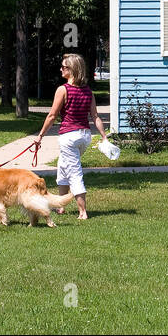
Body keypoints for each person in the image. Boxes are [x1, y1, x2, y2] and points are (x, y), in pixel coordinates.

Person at [35, 53, 107, 219]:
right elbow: (95, 116)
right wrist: (103, 136)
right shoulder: (88, 91)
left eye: (64, 67)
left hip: (69, 136)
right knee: (63, 166)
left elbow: (52, 115)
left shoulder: (63, 89)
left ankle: (83, 211)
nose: (61, 69)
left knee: (74, 172)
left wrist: (40, 136)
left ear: (72, 69)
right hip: (84, 136)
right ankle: (61, 207)